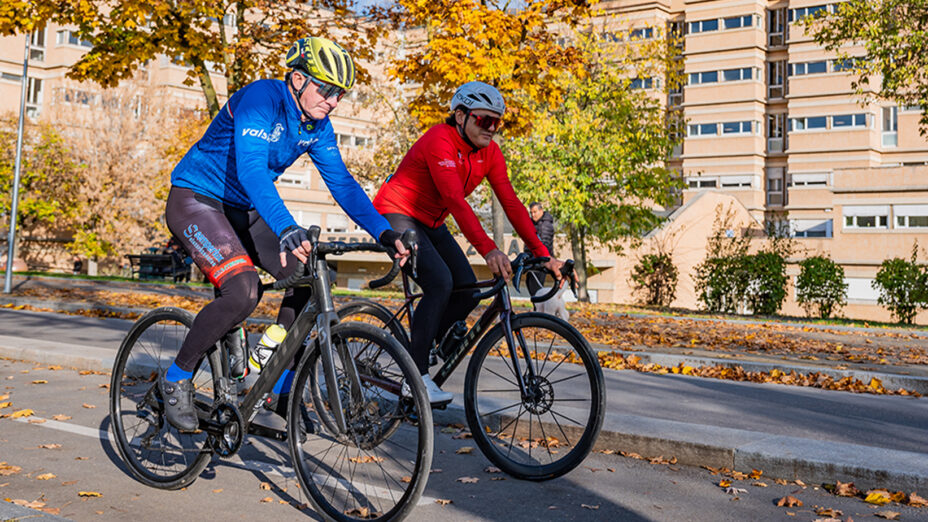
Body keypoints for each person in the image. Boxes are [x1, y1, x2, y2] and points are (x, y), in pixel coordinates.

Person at [160, 37, 409, 432]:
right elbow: (252, 170)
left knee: (307, 277)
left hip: (244, 210)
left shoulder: (317, 125)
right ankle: (176, 378)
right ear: (297, 79)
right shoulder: (262, 99)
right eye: (326, 90)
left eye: (340, 94)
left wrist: (383, 232)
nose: (333, 102)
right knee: (244, 291)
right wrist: (287, 226)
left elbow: (343, 185)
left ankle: (276, 385)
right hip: (197, 200)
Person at [373, 81, 566, 404]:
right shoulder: (440, 139)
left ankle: (422, 347)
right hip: (396, 213)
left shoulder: (489, 153)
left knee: (468, 290)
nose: (491, 128)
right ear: (460, 116)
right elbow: (454, 199)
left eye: (497, 122)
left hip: (432, 222)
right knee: (439, 282)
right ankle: (414, 377)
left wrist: (542, 254)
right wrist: (488, 249)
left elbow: (511, 203)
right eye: (484, 119)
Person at [524, 201, 555, 298]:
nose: (533, 215)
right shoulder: (533, 224)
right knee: (530, 284)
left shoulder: (545, 225)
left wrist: (536, 259)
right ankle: (537, 306)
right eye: (531, 212)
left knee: (536, 289)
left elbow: (544, 244)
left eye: (535, 212)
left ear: (541, 211)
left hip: (541, 262)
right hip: (532, 261)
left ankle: (540, 306)